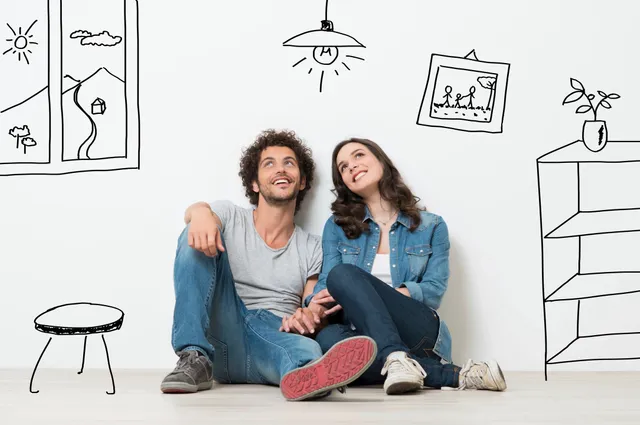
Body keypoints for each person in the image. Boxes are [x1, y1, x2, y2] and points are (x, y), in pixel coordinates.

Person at [161, 130, 376, 401]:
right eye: (269, 164)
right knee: (196, 236)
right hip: (221, 332)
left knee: (303, 350)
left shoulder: (313, 247)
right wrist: (200, 212)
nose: (280, 169)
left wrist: (309, 316)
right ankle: (193, 355)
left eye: (289, 162)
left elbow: (311, 304)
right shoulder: (229, 215)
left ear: (302, 182)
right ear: (254, 183)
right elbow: (198, 217)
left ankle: (307, 374)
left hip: (273, 340)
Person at [280, 137, 506, 395]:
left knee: (345, 274)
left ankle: (396, 354)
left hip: (418, 331)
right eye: (343, 167)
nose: (351, 166)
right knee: (329, 340)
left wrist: (369, 295)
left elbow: (433, 290)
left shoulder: (431, 226)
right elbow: (326, 285)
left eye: (358, 156)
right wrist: (312, 305)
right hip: (361, 335)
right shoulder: (337, 227)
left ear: (381, 161)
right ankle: (452, 374)